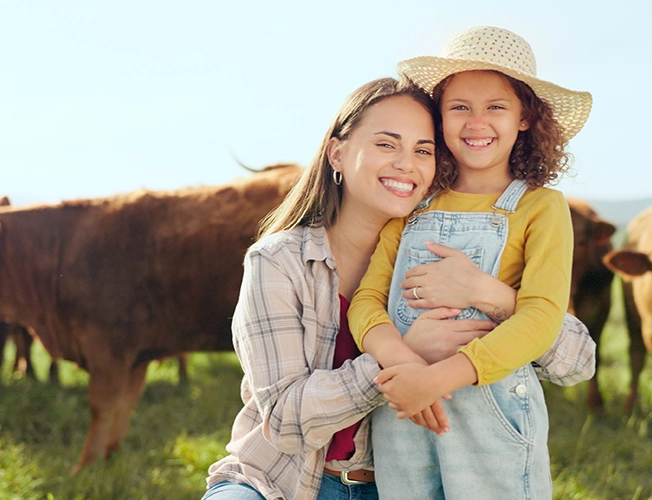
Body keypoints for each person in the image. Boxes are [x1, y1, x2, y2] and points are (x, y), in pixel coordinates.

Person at [202, 77, 513, 500]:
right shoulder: (278, 261)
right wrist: (401, 351)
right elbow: (285, 420)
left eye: (423, 150)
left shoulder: (449, 254)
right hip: (278, 482)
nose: (407, 163)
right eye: (387, 144)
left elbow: (575, 360)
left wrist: (490, 294)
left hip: (405, 488)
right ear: (338, 153)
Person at [348, 26, 593, 499]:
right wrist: (407, 368)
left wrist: (437, 378)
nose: (476, 122)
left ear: (525, 118)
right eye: (459, 107)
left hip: (495, 416)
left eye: (495, 107)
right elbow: (366, 302)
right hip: (401, 413)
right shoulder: (413, 204)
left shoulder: (540, 207)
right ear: (439, 117)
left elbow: (541, 318)